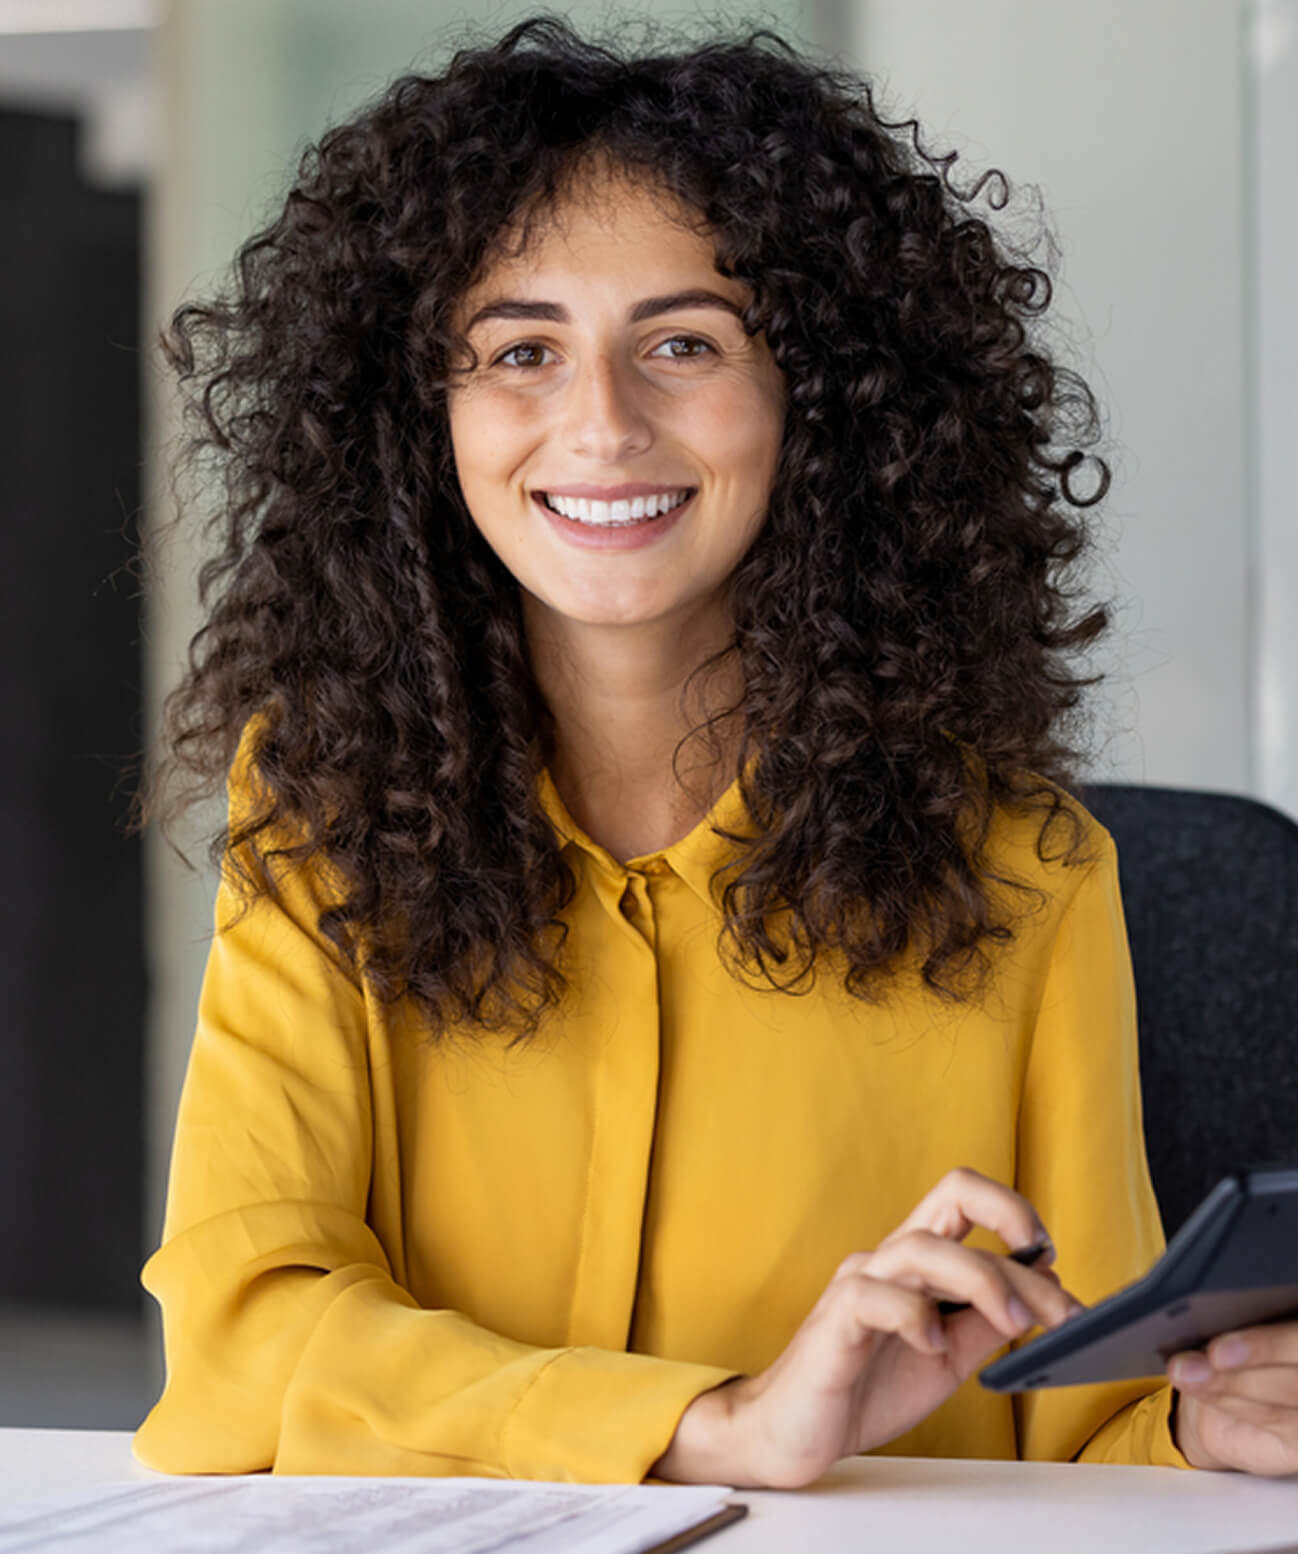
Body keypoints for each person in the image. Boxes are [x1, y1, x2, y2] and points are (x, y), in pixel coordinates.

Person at [131, 15, 1298, 1486]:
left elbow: (1091, 1421)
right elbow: (239, 1348)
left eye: (683, 343)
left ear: (822, 397)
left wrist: (1208, 1416)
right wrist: (715, 1424)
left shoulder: (1028, 870)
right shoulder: (317, 811)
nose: (601, 422)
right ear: (418, 416)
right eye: (518, 350)